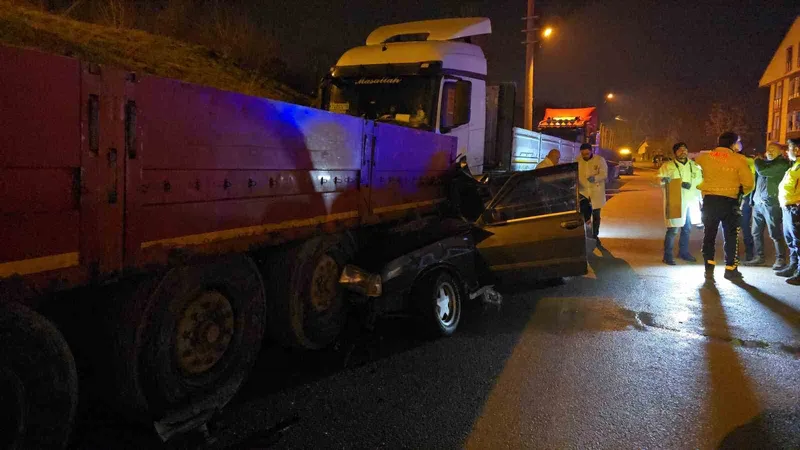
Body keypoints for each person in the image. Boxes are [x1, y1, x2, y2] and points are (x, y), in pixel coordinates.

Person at [695, 132, 755, 280]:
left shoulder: (704, 158)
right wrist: (740, 193)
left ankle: (709, 267)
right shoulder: (739, 159)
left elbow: (696, 174)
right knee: (731, 235)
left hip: (710, 201)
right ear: (733, 144)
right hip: (730, 202)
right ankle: (730, 269)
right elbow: (748, 183)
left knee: (709, 234)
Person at [743, 142, 791, 268]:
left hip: (771, 204)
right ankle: (759, 257)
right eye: (768, 149)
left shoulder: (781, 164)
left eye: (773, 149)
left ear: (780, 152)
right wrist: (752, 199)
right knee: (755, 232)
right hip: (758, 203)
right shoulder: (765, 163)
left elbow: (762, 171)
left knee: (774, 232)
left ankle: (780, 258)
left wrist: (757, 160)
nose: (769, 151)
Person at [658, 142, 703, 265]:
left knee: (687, 229)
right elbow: (659, 180)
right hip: (675, 199)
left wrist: (701, 201)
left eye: (685, 149)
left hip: (691, 201)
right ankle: (667, 255)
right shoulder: (668, 166)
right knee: (673, 229)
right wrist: (677, 183)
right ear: (675, 153)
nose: (683, 152)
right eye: (680, 150)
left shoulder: (695, 166)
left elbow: (700, 183)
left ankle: (684, 252)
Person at [777, 138, 800, 285]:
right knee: (791, 240)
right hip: (788, 207)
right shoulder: (795, 166)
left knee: (798, 241)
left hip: (796, 208)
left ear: (797, 150)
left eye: (789, 148)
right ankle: (793, 266)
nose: (787, 151)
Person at [577, 143, 608, 247]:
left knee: (596, 216)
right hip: (583, 193)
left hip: (596, 191)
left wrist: (595, 178)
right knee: (584, 216)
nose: (585, 156)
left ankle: (595, 236)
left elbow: (604, 174)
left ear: (591, 151)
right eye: (583, 154)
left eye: (587, 154)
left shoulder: (599, 160)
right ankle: (585, 235)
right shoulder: (577, 160)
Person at [738, 147, 757, 261]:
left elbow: (753, 181)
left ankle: (749, 251)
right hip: (733, 198)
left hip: (744, 198)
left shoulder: (749, 162)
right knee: (733, 227)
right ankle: (733, 251)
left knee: (745, 226)